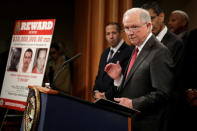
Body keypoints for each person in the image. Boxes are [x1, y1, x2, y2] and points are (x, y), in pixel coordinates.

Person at [104, 8, 174, 131]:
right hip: (132, 122)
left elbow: (163, 93)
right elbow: (137, 86)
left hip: (148, 124)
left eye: (134, 27)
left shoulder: (159, 52)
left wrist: (133, 104)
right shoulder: (136, 48)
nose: (130, 32)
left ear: (148, 26)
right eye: (126, 28)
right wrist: (119, 78)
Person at [93, 22, 132, 101]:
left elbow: (124, 79)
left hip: (115, 101)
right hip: (101, 101)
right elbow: (99, 76)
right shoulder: (105, 53)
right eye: (108, 34)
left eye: (114, 33)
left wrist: (106, 95)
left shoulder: (129, 51)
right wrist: (96, 91)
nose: (111, 36)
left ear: (120, 33)